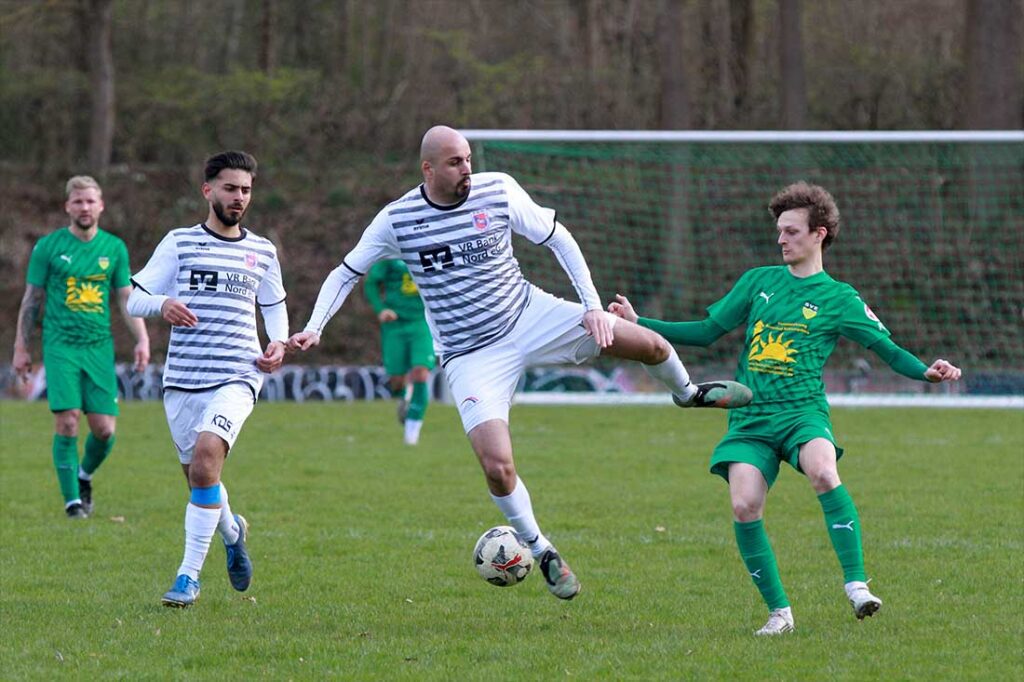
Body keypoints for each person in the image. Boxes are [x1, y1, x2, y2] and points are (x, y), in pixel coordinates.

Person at [288, 126, 752, 600]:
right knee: (497, 466)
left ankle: (689, 393)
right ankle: (542, 549)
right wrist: (315, 326)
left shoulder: (498, 189)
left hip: (530, 315)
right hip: (470, 355)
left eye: (468, 158)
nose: (466, 168)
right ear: (427, 169)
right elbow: (346, 273)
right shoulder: (398, 219)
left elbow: (559, 238)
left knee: (650, 345)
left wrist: (591, 305)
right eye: (454, 162)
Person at [608, 181, 962, 635]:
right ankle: (780, 614)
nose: (781, 239)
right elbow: (705, 330)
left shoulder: (840, 298)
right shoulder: (758, 282)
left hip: (802, 413)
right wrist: (640, 325)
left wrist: (926, 373)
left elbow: (887, 349)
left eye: (791, 231)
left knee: (823, 470)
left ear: (820, 233)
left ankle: (856, 585)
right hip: (750, 420)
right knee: (744, 506)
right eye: (779, 231)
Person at [126, 151, 289, 608]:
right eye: (231, 189)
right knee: (201, 479)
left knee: (203, 464)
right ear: (208, 190)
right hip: (182, 381)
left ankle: (187, 577)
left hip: (239, 374)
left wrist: (277, 343)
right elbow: (134, 300)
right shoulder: (179, 243)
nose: (239, 198)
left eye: (246, 190)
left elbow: (273, 306)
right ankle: (234, 532)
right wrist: (162, 305)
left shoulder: (262, 250)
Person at [12, 175, 150, 520]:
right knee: (68, 422)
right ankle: (72, 503)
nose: (84, 207)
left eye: (90, 201)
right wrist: (21, 347)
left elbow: (125, 298)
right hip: (60, 347)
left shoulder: (114, 248)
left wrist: (143, 339)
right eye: (78, 201)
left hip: (99, 348)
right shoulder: (47, 247)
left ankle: (83, 475)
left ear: (101, 206)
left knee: (104, 431)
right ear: (67, 207)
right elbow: (32, 300)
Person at [363, 258, 436, 445]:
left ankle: (411, 435)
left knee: (420, 372)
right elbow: (371, 282)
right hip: (394, 325)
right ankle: (404, 397)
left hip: (421, 322)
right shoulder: (392, 253)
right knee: (396, 380)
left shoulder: (429, 248)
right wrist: (381, 309)